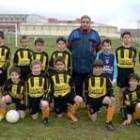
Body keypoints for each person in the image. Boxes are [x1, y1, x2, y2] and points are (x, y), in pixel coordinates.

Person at [67, 15, 101, 98]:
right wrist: (75, 53)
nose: (85, 24)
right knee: (78, 86)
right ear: (80, 23)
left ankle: (89, 103)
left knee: (90, 86)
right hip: (77, 66)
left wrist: (91, 53)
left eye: (87, 22)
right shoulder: (74, 33)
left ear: (90, 23)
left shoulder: (95, 34)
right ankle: (79, 101)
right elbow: (69, 46)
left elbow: (98, 47)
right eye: (83, 22)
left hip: (90, 66)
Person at [49, 57, 83, 122]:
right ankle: (60, 107)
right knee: (59, 116)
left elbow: (72, 87)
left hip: (67, 94)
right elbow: (50, 89)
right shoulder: (51, 75)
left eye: (61, 64)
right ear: (55, 65)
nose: (60, 66)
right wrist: (51, 101)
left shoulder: (68, 74)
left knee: (79, 99)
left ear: (64, 65)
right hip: (58, 97)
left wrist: (73, 96)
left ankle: (70, 113)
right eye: (58, 65)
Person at [84, 60, 115, 131]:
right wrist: (87, 103)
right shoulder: (88, 77)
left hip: (102, 97)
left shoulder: (105, 77)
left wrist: (111, 96)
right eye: (96, 68)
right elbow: (86, 91)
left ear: (102, 68)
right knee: (93, 120)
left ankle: (108, 122)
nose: (98, 70)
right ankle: (92, 109)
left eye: (100, 68)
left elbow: (110, 88)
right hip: (92, 99)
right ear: (93, 68)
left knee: (112, 101)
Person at [116, 31, 137, 113]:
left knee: (131, 90)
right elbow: (117, 61)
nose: (127, 39)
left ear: (131, 39)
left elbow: (134, 61)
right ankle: (121, 107)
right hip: (121, 72)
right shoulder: (118, 49)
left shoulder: (134, 50)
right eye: (125, 37)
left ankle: (129, 107)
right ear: (122, 38)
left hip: (130, 72)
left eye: (128, 37)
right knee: (122, 90)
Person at [26, 60, 50, 125]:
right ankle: (36, 108)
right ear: (31, 68)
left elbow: (47, 89)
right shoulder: (28, 77)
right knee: (34, 118)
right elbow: (27, 91)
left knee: (45, 104)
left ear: (41, 68)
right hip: (32, 98)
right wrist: (27, 103)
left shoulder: (44, 76)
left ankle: (46, 118)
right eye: (35, 68)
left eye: (38, 68)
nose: (36, 69)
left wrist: (45, 99)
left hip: (41, 97)